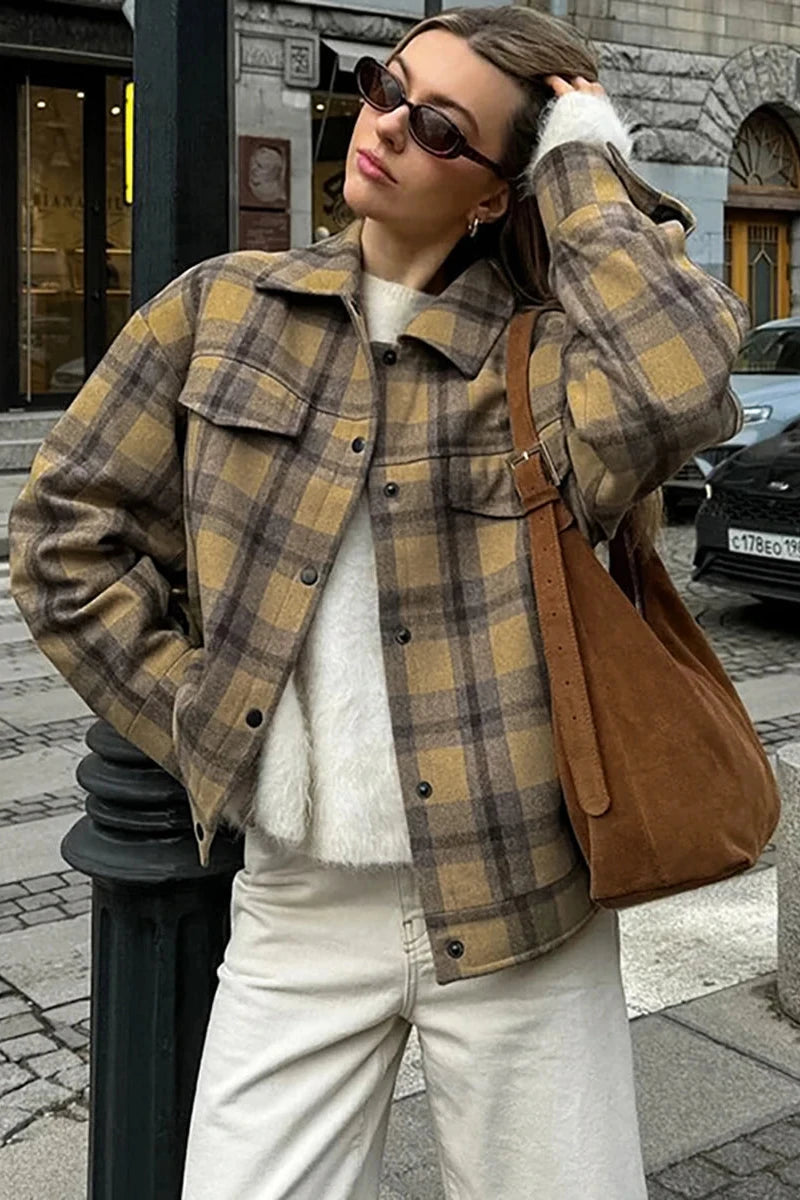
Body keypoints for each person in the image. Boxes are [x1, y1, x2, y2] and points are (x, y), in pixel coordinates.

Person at [8, 6, 748, 1199]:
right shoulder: (220, 312)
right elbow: (61, 539)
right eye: (385, 87)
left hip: (523, 903)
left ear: (495, 193)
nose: (388, 126)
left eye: (441, 127)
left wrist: (579, 162)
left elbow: (680, 380)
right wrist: (200, 715)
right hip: (297, 902)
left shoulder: (552, 359)